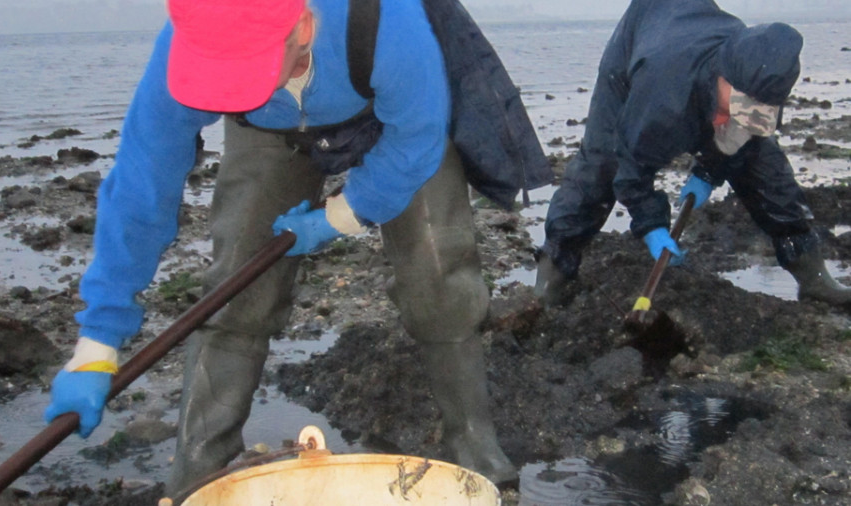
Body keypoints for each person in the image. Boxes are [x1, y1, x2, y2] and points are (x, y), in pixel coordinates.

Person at [42, 0, 530, 496]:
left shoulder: (386, 20)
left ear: (301, 26)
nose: (225, 83)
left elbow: (418, 136)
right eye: (217, 74)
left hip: (387, 113)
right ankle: (198, 464)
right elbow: (141, 184)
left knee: (438, 276)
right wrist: (97, 342)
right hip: (270, 129)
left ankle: (472, 436)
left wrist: (341, 216)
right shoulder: (190, 41)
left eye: (241, 69)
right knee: (239, 285)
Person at [534, 0, 851, 310]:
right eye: (739, 105)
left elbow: (746, 141)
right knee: (602, 164)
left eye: (758, 109)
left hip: (688, 37)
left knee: (765, 166)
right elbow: (631, 166)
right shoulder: (663, 96)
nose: (746, 115)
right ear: (724, 78)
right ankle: (552, 273)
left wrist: (709, 171)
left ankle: (813, 276)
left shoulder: (763, 76)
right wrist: (652, 225)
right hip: (639, 46)